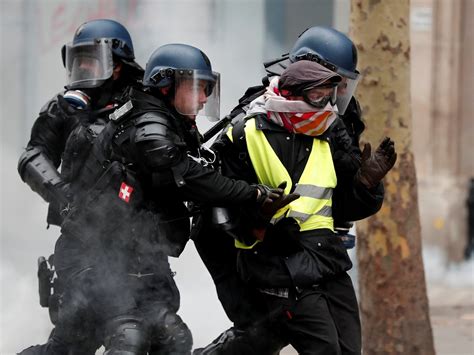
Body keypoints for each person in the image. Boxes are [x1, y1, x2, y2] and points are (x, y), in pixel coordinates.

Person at [21, 42, 298, 355]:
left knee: (171, 338)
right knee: (119, 341)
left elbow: (194, 178)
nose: (204, 97)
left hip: (138, 257)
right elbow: (188, 175)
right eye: (197, 87)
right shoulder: (147, 124)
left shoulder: (169, 123)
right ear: (167, 84)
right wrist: (252, 195)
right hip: (94, 257)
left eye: (208, 88)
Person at [193, 26, 368, 354]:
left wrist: (366, 187)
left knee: (276, 332)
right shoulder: (256, 116)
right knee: (259, 328)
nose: (339, 94)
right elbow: (219, 193)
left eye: (344, 84)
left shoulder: (339, 118)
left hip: (306, 249)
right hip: (235, 239)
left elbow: (339, 195)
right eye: (334, 83)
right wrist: (258, 228)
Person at [17, 18, 144, 354]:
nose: (83, 67)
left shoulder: (143, 108)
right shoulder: (65, 107)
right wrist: (62, 194)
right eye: (79, 59)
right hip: (80, 242)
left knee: (160, 336)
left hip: (135, 244)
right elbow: (32, 156)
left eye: (91, 58)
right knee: (72, 346)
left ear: (117, 67)